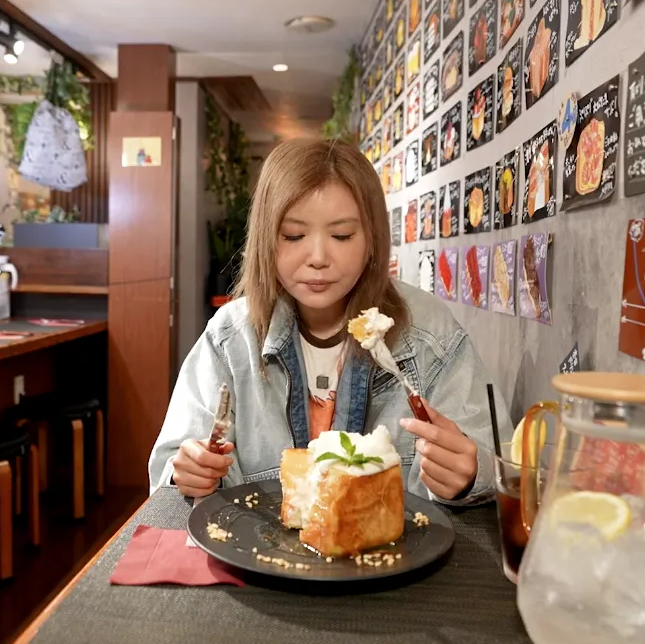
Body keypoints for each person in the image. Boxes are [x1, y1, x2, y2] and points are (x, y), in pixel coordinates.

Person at [148, 139, 510, 506]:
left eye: (341, 235)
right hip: (258, 556)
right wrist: (188, 474)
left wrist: (470, 474)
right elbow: (171, 469)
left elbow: (500, 462)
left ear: (372, 239)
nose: (318, 257)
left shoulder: (430, 334)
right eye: (293, 235)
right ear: (263, 240)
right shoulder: (230, 339)